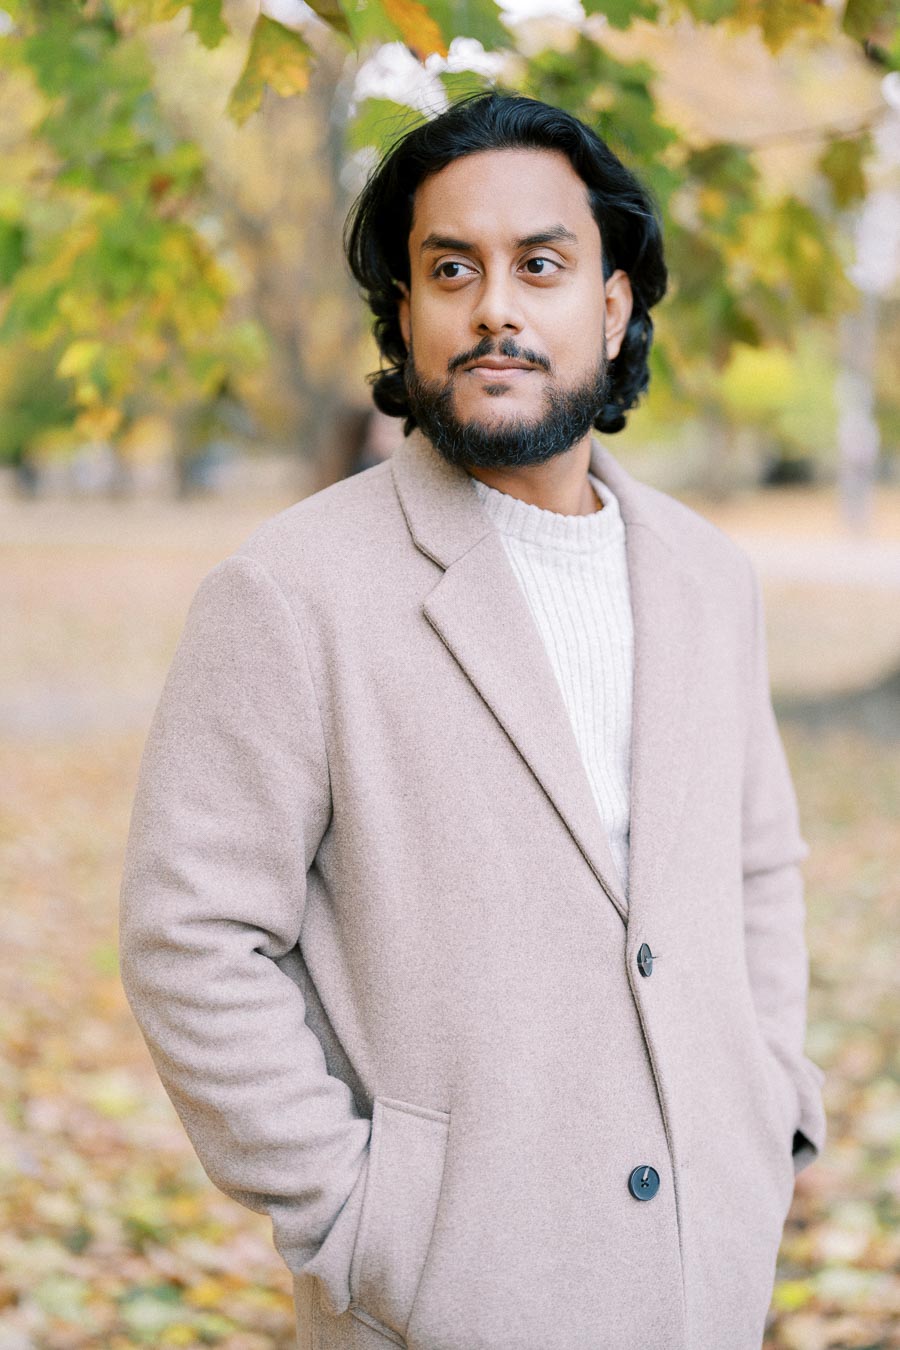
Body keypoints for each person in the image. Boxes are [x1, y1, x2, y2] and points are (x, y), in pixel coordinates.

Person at [118, 93, 826, 1350]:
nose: (496, 304)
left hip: (705, 1281)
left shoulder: (708, 576)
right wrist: (364, 1222)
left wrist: (770, 1106)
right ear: (405, 313)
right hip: (446, 1304)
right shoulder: (290, 594)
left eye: (540, 264)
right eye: (452, 269)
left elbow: (757, 866)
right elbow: (191, 940)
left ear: (611, 306)